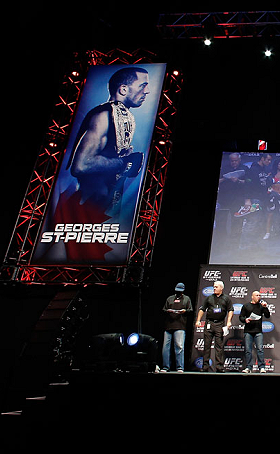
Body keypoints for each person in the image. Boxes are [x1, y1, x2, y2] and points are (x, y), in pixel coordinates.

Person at [56, 66, 150, 261]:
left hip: (104, 211)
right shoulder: (103, 115)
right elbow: (81, 165)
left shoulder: (124, 114)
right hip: (86, 212)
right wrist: (122, 163)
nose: (146, 91)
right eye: (142, 86)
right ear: (123, 89)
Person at [196, 280, 234, 373]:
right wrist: (198, 320)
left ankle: (219, 367)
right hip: (209, 323)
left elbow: (231, 310)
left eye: (216, 287)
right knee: (207, 345)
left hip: (220, 324)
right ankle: (205, 366)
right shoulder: (209, 298)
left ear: (221, 288)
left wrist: (229, 321)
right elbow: (202, 309)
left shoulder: (226, 299)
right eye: (214, 286)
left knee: (219, 346)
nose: (214, 288)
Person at [161, 282, 193, 373]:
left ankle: (180, 367)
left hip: (180, 325)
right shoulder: (170, 298)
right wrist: (168, 311)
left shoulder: (186, 299)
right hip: (168, 326)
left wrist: (184, 311)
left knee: (179, 346)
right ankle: (166, 366)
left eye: (180, 291)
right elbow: (164, 309)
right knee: (165, 347)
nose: (179, 292)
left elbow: (190, 310)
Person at [239, 290, 271, 373]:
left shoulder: (261, 306)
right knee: (248, 350)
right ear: (252, 296)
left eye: (259, 295)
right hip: (248, 331)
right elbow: (241, 317)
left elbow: (267, 316)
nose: (258, 297)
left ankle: (262, 367)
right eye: (257, 295)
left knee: (260, 349)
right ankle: (249, 367)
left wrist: (265, 307)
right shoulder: (246, 306)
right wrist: (245, 320)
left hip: (258, 331)